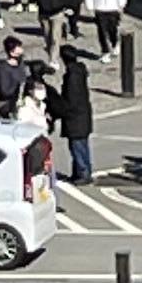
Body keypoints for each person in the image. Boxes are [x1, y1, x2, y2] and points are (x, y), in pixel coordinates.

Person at [57, 43, 96, 184]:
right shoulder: (79, 72)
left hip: (75, 117)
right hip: (82, 115)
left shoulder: (72, 76)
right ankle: (81, 172)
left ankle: (83, 173)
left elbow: (71, 99)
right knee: (81, 145)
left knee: (77, 146)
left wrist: (61, 109)